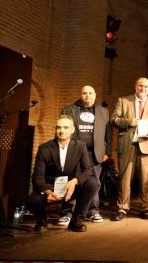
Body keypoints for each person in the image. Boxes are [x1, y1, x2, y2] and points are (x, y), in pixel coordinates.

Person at [28, 115, 98, 232]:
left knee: (92, 183)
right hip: (50, 189)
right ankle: (41, 220)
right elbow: (37, 177)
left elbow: (88, 169)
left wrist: (75, 181)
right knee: (33, 200)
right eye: (59, 127)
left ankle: (77, 220)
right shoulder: (44, 148)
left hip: (69, 188)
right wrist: (47, 191)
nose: (62, 131)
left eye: (66, 127)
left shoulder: (80, 146)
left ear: (72, 130)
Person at [111, 78, 148, 221]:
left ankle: (145, 208)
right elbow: (113, 119)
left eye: (146, 87)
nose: (143, 89)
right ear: (136, 87)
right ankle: (122, 208)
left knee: (146, 179)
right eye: (141, 86)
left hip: (147, 144)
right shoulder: (123, 101)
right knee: (125, 178)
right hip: (127, 144)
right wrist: (127, 122)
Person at [60, 85, 111, 224]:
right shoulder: (68, 109)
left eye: (90, 93)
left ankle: (93, 211)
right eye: (84, 93)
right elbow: (62, 130)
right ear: (80, 94)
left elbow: (108, 133)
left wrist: (108, 152)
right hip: (74, 151)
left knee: (95, 183)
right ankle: (68, 212)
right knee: (72, 180)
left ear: (95, 95)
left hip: (94, 153)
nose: (87, 96)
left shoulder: (103, 111)